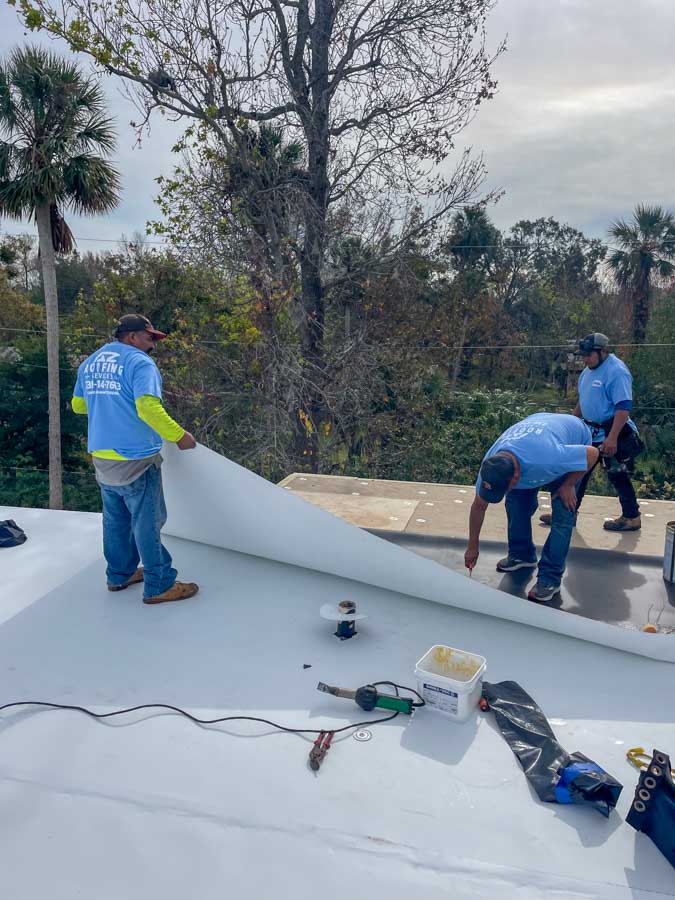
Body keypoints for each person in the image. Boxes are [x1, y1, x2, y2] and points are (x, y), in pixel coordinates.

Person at [72, 314, 199, 604]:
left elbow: (79, 406)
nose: (153, 344)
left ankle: (119, 575)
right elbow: (147, 408)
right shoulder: (139, 363)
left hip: (103, 456)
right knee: (148, 522)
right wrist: (180, 436)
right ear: (131, 337)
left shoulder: (91, 362)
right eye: (149, 337)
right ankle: (159, 584)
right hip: (136, 458)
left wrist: (109, 404)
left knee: (116, 521)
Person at [464, 413, 599, 602]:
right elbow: (479, 506)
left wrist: (568, 485)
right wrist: (472, 547)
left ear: (517, 477)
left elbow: (592, 454)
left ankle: (549, 579)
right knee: (515, 502)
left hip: (574, 438)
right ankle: (522, 555)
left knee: (563, 514)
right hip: (539, 427)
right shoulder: (490, 468)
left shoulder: (548, 458)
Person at [539, 333, 642, 532]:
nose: (585, 359)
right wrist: (570, 422)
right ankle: (570, 512)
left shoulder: (616, 371)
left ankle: (631, 517)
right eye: (583, 355)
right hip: (589, 432)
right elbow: (583, 401)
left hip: (612, 432)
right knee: (578, 471)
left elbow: (623, 407)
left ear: (603, 352)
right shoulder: (587, 372)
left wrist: (612, 438)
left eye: (588, 355)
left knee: (617, 473)